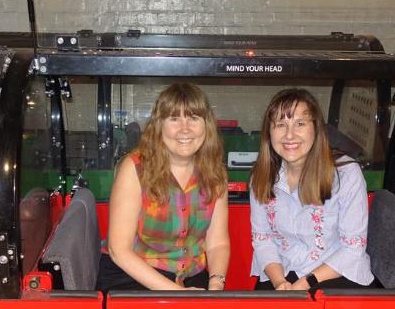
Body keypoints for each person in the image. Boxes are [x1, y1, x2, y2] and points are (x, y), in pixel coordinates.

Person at [96, 83, 230, 291]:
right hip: (133, 275)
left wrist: (216, 282)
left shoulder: (215, 173)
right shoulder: (134, 168)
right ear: (159, 125)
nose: (185, 129)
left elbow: (218, 243)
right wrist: (178, 294)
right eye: (174, 119)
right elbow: (118, 251)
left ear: (207, 125)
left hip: (191, 275)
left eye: (193, 118)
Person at [250, 88, 374, 293]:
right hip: (282, 272)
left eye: (300, 123)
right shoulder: (261, 176)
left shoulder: (346, 173)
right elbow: (263, 239)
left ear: (316, 129)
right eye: (281, 125)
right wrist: (279, 282)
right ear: (268, 132)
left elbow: (353, 249)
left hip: (335, 272)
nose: (290, 135)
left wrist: (303, 285)